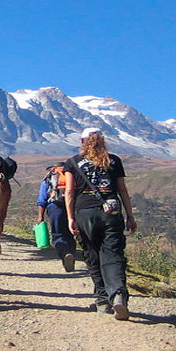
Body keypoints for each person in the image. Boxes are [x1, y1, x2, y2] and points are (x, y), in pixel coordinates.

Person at [63, 128, 137, 320]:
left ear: (82, 142)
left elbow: (69, 192)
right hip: (111, 212)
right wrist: (130, 216)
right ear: (102, 141)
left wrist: (70, 218)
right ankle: (118, 295)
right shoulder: (114, 160)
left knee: (92, 255)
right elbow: (122, 190)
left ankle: (102, 301)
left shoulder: (72, 162)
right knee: (113, 254)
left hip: (84, 212)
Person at [36, 162, 76, 272]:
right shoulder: (72, 175)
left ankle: (65, 255)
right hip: (73, 206)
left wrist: (40, 216)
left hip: (55, 207)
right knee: (70, 234)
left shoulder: (50, 177)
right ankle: (71, 255)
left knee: (58, 235)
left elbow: (42, 199)